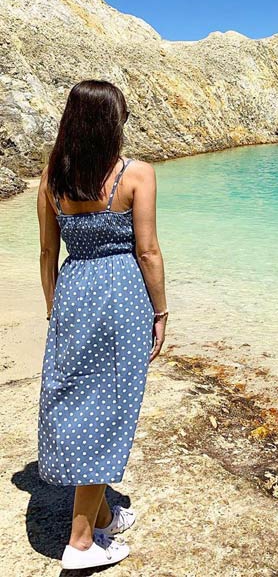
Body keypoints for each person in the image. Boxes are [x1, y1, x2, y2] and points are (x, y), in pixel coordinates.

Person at [36, 79, 168, 570]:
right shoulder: (136, 175)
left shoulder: (52, 178)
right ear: (113, 124)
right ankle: (81, 542)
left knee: (79, 405)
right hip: (121, 302)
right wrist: (160, 311)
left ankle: (105, 513)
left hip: (73, 296)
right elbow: (148, 251)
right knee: (109, 410)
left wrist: (55, 311)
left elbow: (48, 253)